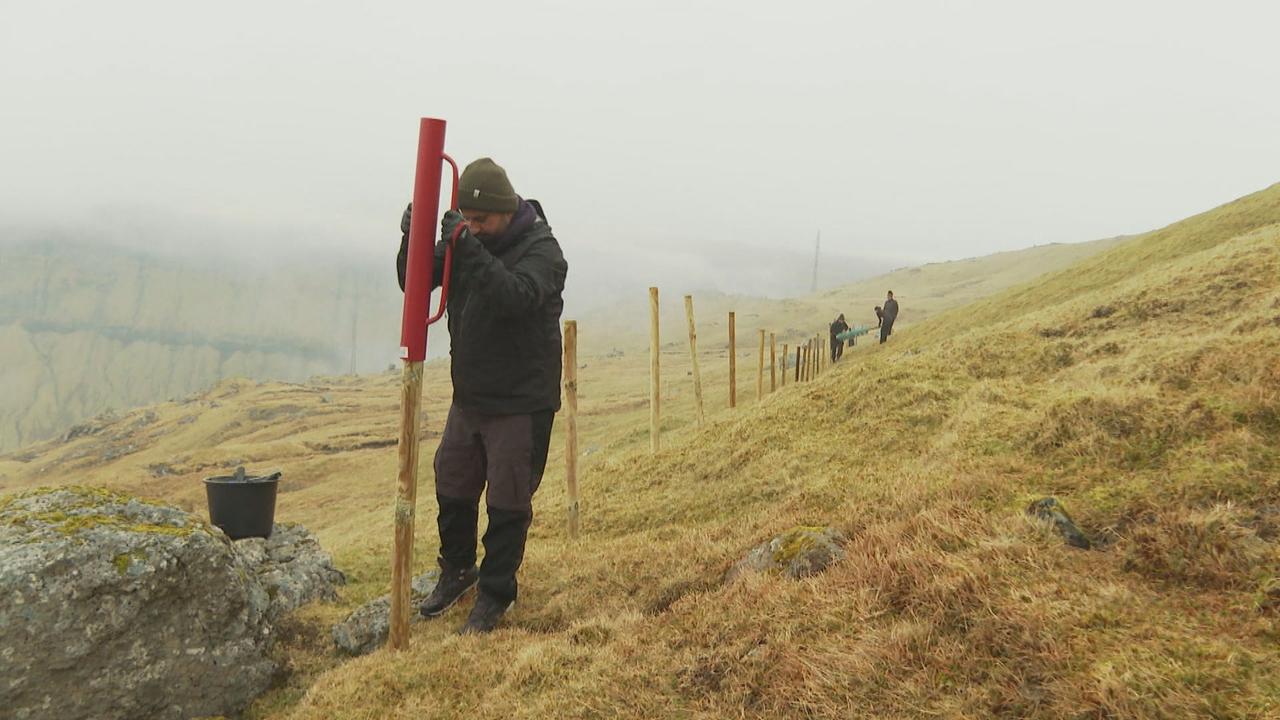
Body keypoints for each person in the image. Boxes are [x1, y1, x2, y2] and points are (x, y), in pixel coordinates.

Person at [396, 158, 568, 635]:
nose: (473, 228)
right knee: (451, 481)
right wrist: (412, 238)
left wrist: (464, 245)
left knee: (508, 501)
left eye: (481, 221)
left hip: (520, 400)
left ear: (505, 211)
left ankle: (495, 593)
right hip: (470, 396)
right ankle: (457, 571)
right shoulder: (470, 242)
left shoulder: (543, 251)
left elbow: (512, 297)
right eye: (465, 220)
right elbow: (414, 283)